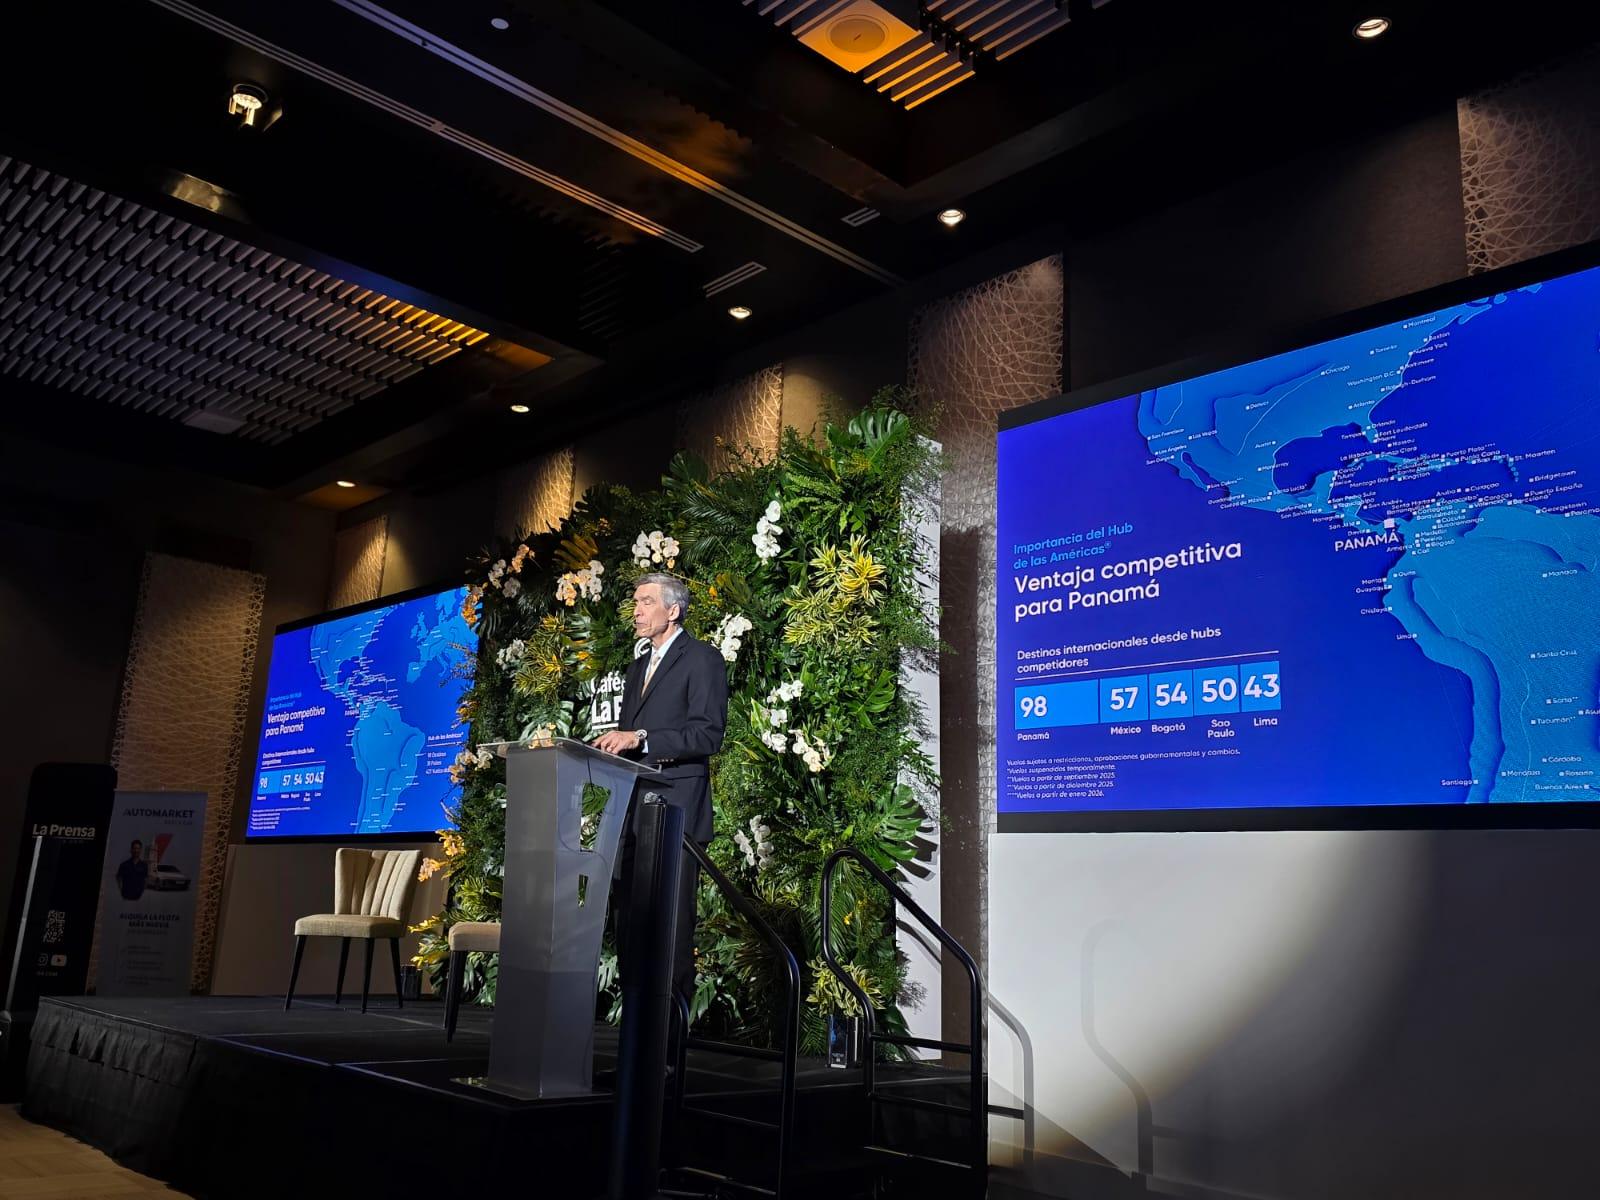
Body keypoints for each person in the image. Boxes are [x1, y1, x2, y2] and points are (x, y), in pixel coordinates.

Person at [592, 572, 728, 1003]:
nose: (636, 611)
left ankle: (669, 1037)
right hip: (633, 811)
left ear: (673, 610)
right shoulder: (637, 668)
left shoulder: (702, 659)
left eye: (646, 602)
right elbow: (629, 739)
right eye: (635, 602)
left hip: (675, 812)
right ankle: (635, 1033)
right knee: (629, 926)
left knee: (670, 929)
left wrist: (641, 737)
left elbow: (707, 734)